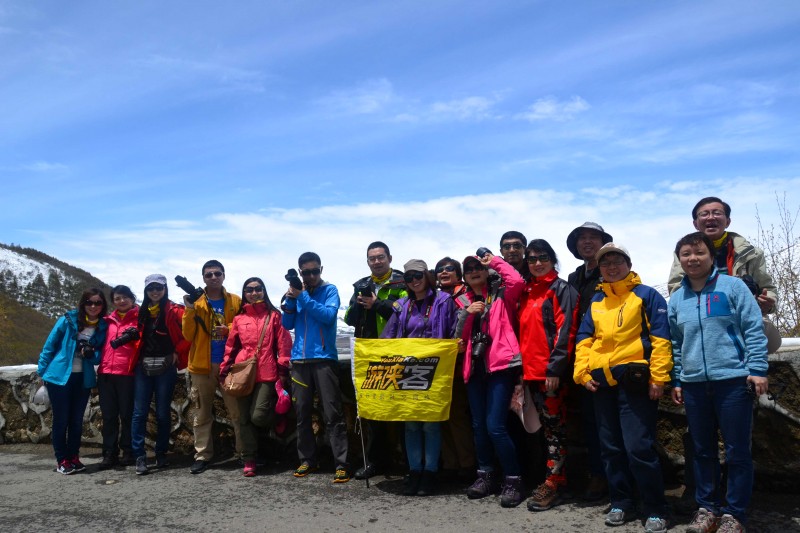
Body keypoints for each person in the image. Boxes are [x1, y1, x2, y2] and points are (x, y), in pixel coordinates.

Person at [669, 232, 769, 533]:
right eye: (685, 254)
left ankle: (734, 513)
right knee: (702, 450)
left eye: (698, 252)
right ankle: (707, 508)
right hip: (694, 384)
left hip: (733, 381)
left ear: (710, 256)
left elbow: (753, 329)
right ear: (680, 260)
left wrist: (758, 369)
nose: (692, 259)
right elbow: (675, 343)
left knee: (738, 450)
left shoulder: (733, 287)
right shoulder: (677, 298)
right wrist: (677, 378)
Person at [574, 243, 672, 533]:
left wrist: (659, 378)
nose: (612, 267)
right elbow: (584, 338)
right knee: (611, 448)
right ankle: (621, 502)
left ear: (628, 264)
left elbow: (661, 338)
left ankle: (655, 508)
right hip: (602, 383)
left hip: (637, 383)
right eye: (606, 263)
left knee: (639, 447)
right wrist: (582, 372)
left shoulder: (646, 296)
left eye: (617, 261)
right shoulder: (596, 300)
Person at [455, 251, 526, 507]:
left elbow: (518, 281)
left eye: (478, 267)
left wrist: (493, 261)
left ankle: (513, 479)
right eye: (469, 268)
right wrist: (468, 313)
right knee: (479, 426)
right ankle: (485, 475)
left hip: (500, 366)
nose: (474, 271)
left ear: (486, 271)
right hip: (474, 369)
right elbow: (457, 338)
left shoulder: (501, 294)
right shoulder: (461, 299)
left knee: (495, 426)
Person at [381, 259, 456, 496]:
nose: (414, 280)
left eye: (418, 275)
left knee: (431, 425)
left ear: (427, 276)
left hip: (435, 369)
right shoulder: (402, 306)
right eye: (409, 276)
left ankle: (430, 473)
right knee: (411, 425)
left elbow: (453, 330)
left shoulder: (444, 301)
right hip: (408, 371)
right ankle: (415, 471)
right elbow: (389, 336)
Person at [518, 239, 578, 511]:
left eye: (543, 257)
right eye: (531, 259)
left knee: (556, 430)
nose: (537, 263)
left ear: (553, 260)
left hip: (550, 375)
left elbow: (567, 330)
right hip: (529, 373)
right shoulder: (528, 291)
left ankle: (556, 483)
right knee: (542, 429)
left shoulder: (560, 289)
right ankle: (551, 478)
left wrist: (555, 368)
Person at [282, 252, 350, 483]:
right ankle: (307, 460)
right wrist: (290, 301)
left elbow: (328, 316)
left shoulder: (329, 291)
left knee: (333, 414)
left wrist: (302, 297)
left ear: (321, 269)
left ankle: (341, 463)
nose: (311, 276)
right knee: (302, 415)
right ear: (300, 273)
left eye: (315, 271)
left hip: (323, 359)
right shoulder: (299, 294)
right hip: (300, 361)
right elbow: (287, 324)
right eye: (306, 272)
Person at [344, 241, 407, 480]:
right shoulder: (361, 285)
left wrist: (376, 304)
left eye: (381, 257)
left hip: (396, 351)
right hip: (369, 353)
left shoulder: (402, 281)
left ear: (390, 257)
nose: (377, 261)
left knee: (402, 411)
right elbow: (349, 318)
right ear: (368, 261)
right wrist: (361, 306)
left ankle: (409, 463)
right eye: (372, 258)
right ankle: (375, 461)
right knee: (372, 411)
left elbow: (405, 311)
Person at [220, 277, 292, 477]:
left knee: (258, 416)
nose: (254, 293)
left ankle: (279, 416)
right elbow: (232, 346)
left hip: (267, 372)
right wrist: (225, 369)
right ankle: (249, 458)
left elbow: (283, 345)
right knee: (244, 419)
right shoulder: (239, 319)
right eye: (249, 290)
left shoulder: (274, 316)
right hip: (243, 372)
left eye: (258, 289)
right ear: (244, 293)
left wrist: (283, 370)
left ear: (264, 291)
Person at [565, 221, 613, 501]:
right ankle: (598, 475)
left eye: (593, 237)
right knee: (591, 421)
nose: (587, 242)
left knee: (609, 421)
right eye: (582, 238)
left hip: (608, 354)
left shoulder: (613, 271)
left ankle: (613, 476)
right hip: (580, 357)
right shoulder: (574, 278)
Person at [38, 288, 108, 474]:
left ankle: (74, 457)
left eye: (98, 303)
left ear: (103, 306)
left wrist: (91, 354)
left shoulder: (102, 327)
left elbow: (98, 357)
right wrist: (41, 373)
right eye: (89, 302)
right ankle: (62, 460)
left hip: (82, 378)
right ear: (83, 304)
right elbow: (49, 346)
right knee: (61, 420)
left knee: (77, 421)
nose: (93, 306)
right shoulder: (67, 320)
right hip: (59, 377)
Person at [182, 260, 242, 474]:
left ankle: (244, 454)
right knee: (201, 413)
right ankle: (202, 455)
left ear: (224, 275)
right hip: (201, 366)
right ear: (204, 278)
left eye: (217, 273)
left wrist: (228, 328)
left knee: (237, 412)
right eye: (209, 275)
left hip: (230, 365)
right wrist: (189, 309)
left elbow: (244, 325)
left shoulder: (235, 300)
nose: (214, 277)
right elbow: (187, 335)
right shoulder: (196, 303)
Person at [667, 197, 776, 315]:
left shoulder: (751, 253)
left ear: (728, 221)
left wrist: (769, 303)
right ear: (695, 224)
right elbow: (676, 289)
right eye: (704, 214)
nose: (711, 217)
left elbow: (768, 288)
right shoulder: (684, 254)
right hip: (701, 315)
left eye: (717, 213)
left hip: (745, 314)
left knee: (767, 328)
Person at [132, 274, 191, 475]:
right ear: (146, 291)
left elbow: (189, 334)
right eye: (151, 288)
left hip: (166, 366)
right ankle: (139, 456)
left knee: (162, 413)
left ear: (165, 289)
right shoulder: (141, 312)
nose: (155, 292)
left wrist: (177, 352)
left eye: (159, 288)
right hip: (143, 367)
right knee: (139, 413)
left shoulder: (174, 311)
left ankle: (161, 453)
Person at [434, 256, 475, 482]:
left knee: (457, 416)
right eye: (440, 269)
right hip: (440, 367)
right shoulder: (437, 298)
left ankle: (466, 464)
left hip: (459, 365)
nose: (444, 272)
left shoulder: (464, 296)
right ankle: (449, 463)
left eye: (450, 268)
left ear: (458, 273)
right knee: (443, 416)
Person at [97, 285, 139, 469]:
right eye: (117, 298)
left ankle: (128, 452)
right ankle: (109, 454)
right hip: (106, 373)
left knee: (127, 415)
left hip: (128, 374)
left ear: (132, 298)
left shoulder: (140, 319)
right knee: (109, 416)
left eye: (125, 297)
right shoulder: (107, 321)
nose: (121, 301)